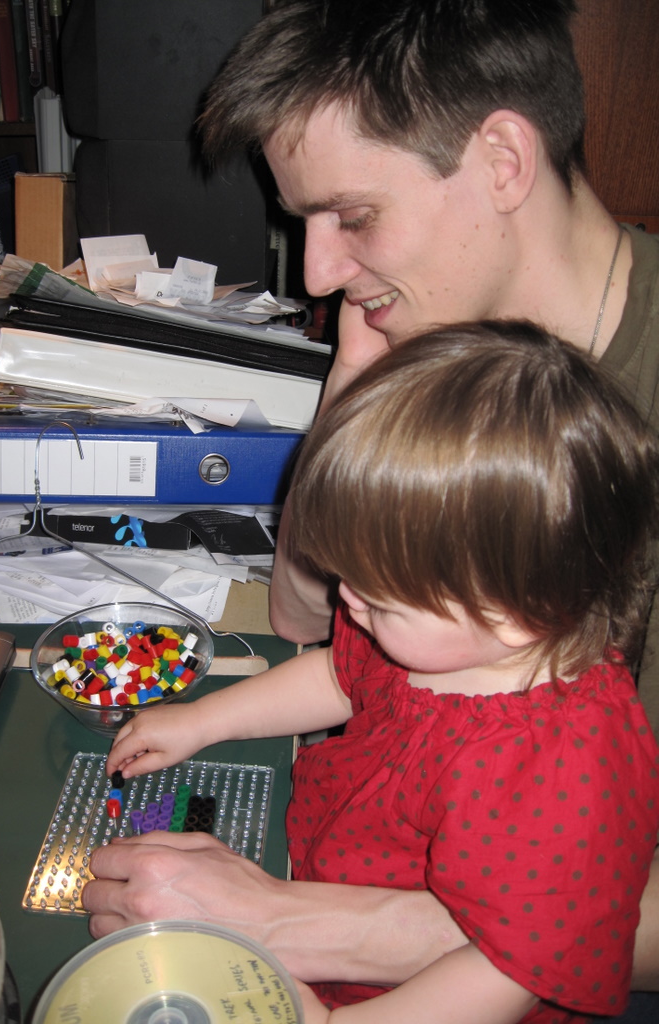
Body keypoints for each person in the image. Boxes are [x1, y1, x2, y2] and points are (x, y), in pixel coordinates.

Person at [83, 0, 659, 1012]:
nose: (315, 272)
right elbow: (311, 618)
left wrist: (298, 921)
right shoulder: (447, 359)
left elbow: (564, 926)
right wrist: (352, 387)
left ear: (502, 162)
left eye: (352, 215)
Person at [100, 323, 659, 1024]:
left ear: (519, 612)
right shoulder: (449, 639)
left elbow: (503, 971)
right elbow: (341, 679)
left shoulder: (558, 774)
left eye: (381, 598)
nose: (347, 600)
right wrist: (202, 721)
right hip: (332, 874)